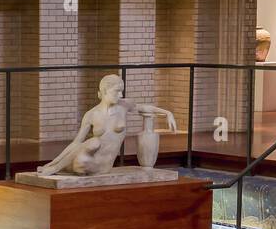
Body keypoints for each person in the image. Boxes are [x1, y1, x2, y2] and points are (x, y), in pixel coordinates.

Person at [39, 74, 175, 177]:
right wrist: (52, 164)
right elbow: (76, 143)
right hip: (86, 161)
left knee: (91, 145)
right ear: (105, 91)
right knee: (92, 144)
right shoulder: (91, 115)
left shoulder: (124, 105)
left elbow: (144, 108)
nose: (121, 94)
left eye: (121, 91)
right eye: (117, 91)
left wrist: (167, 113)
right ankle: (57, 167)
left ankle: (58, 168)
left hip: (104, 165)